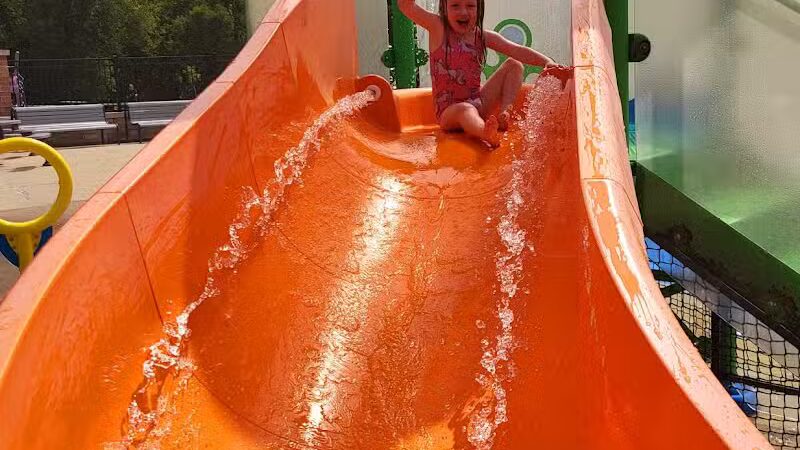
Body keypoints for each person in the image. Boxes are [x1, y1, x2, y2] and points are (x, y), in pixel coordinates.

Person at [398, 0, 569, 147]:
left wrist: (548, 62)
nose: (463, 11)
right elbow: (406, 6)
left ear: (479, 7)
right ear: (444, 7)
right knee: (466, 109)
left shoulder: (482, 37)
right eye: (455, 5)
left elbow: (516, 50)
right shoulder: (438, 28)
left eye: (470, 5)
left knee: (514, 65)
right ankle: (484, 133)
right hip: (449, 112)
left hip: (478, 102)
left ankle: (504, 113)